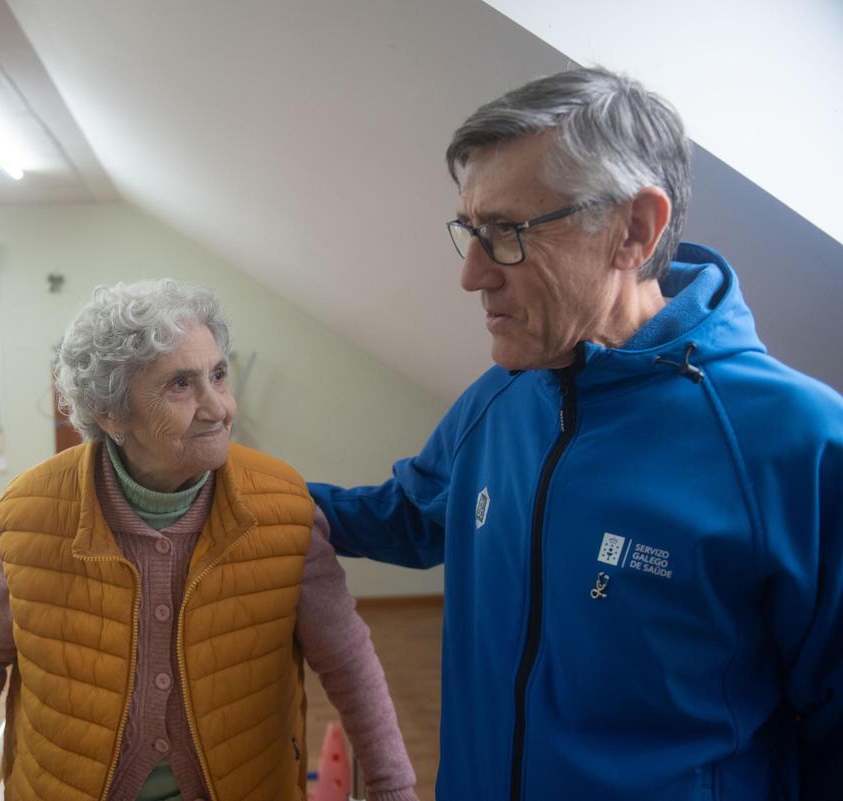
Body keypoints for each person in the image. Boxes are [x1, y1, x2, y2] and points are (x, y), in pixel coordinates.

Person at [309, 67, 843, 801]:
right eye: (471, 230)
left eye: (506, 233)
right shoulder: (501, 396)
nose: (471, 275)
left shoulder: (798, 444)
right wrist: (235, 488)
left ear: (634, 230)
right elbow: (408, 514)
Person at [0, 279, 419, 801]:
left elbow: (347, 659)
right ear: (111, 412)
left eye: (218, 375)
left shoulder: (283, 507)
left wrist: (392, 788)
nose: (220, 409)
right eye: (180, 386)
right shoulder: (33, 512)